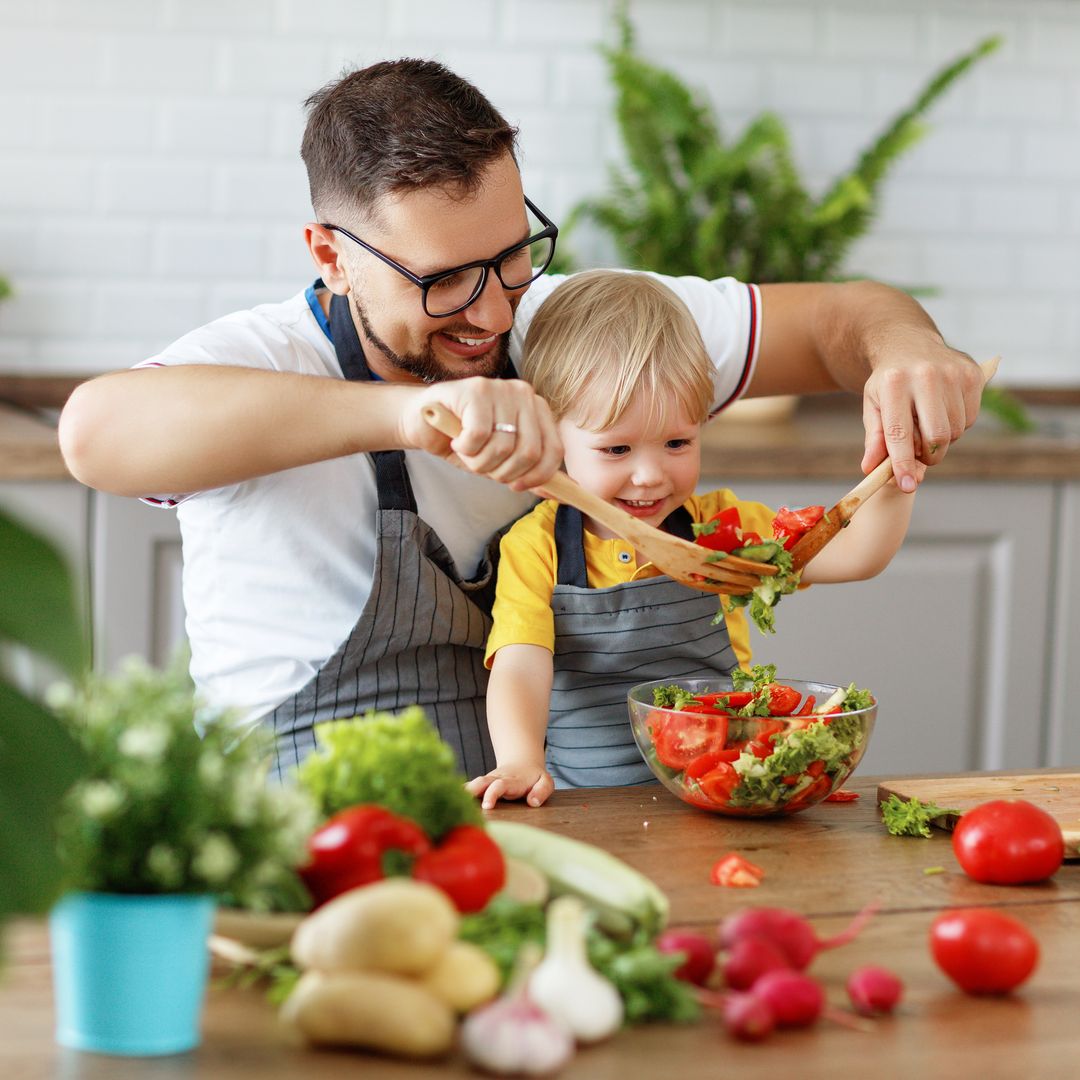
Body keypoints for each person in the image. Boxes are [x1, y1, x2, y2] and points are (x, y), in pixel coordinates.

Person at [57, 58, 983, 780]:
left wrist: (905, 350)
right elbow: (95, 434)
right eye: (443, 280)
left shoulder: (584, 328)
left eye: (512, 256)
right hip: (304, 817)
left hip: (535, 810)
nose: (495, 314)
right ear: (331, 257)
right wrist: (412, 414)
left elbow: (841, 320)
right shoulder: (259, 359)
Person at [465, 271, 918, 808]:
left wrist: (899, 471)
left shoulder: (723, 526)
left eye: (677, 441)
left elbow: (856, 554)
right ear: (553, 433)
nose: (651, 475)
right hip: (585, 805)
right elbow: (521, 662)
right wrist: (519, 761)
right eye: (616, 450)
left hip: (721, 792)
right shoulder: (536, 545)